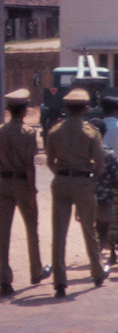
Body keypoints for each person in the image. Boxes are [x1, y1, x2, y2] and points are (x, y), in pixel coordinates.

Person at [46, 87, 109, 297]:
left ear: (65, 108)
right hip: (83, 182)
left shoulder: (55, 131)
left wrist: (63, 173)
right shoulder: (91, 132)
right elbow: (100, 164)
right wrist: (90, 176)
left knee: (59, 232)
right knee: (89, 230)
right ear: (86, 109)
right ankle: (97, 271)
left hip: (62, 180)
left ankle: (60, 282)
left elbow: (50, 162)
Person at [0, 89, 50, 296]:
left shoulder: (1, 131)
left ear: (9, 109)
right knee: (31, 228)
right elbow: (30, 166)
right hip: (22, 183)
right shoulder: (29, 133)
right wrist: (32, 193)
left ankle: (4, 279)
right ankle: (36, 270)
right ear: (24, 110)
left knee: (2, 234)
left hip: (3, 182)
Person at [90, 119, 118, 266]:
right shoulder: (108, 153)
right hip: (105, 196)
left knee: (93, 226)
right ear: (104, 133)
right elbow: (115, 177)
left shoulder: (84, 153)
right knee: (104, 226)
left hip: (87, 195)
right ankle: (97, 253)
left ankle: (96, 252)